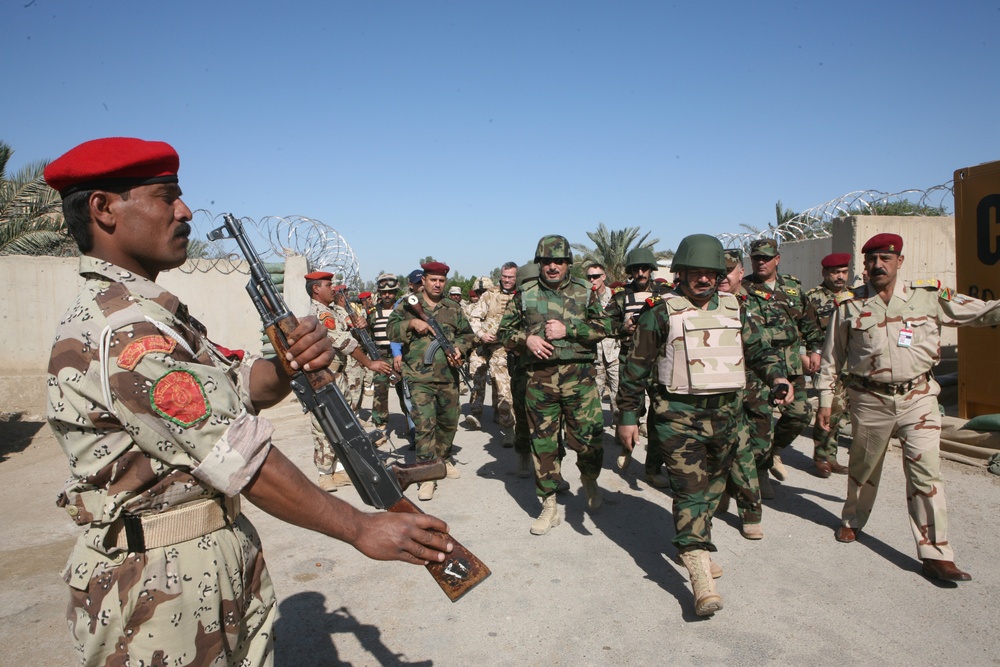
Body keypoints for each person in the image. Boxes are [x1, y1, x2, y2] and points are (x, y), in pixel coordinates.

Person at [43, 137, 455, 666]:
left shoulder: (156, 316)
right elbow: (238, 455)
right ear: (103, 209)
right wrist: (358, 526)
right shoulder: (125, 332)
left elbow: (241, 392)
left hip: (201, 566)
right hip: (154, 588)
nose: (184, 210)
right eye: (165, 196)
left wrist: (286, 365)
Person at [616, 234, 791, 616]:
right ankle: (700, 581)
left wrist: (778, 377)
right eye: (694, 272)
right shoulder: (660, 311)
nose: (703, 279)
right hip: (678, 418)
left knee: (713, 487)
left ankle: (693, 540)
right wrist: (628, 416)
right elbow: (635, 369)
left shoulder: (735, 309)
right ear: (680, 273)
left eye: (710, 273)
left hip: (727, 417)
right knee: (691, 492)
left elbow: (760, 349)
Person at [817, 233, 1000, 582]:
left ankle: (936, 553)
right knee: (864, 469)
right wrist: (825, 401)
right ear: (864, 265)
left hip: (919, 399)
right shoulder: (849, 306)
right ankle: (852, 520)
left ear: (899, 262)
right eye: (871, 259)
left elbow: (983, 312)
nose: (877, 265)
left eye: (886, 258)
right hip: (870, 401)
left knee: (926, 474)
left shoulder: (928, 298)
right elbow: (831, 359)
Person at [497, 235, 611, 535]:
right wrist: (527, 339)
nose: (552, 266)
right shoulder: (525, 293)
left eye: (558, 261)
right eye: (547, 261)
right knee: (543, 444)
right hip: (540, 380)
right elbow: (504, 332)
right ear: (540, 263)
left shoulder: (585, 291)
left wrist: (569, 329)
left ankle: (589, 480)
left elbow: (604, 327)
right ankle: (549, 505)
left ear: (567, 263)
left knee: (589, 440)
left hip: (580, 381)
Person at [742, 238, 825, 491]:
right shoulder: (743, 289)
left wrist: (814, 350)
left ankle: (774, 451)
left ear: (777, 259)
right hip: (759, 367)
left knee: (801, 414)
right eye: (757, 258)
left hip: (790, 364)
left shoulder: (792, 287)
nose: (761, 262)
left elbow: (809, 322)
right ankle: (761, 474)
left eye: (766, 258)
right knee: (761, 423)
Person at [387, 261, 474, 501]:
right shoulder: (408, 304)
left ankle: (442, 459)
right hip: (419, 376)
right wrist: (411, 323)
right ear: (423, 280)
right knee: (425, 425)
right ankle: (426, 475)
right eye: (433, 279)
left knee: (449, 422)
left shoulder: (452, 307)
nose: (437, 284)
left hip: (448, 376)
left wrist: (460, 349)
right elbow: (391, 330)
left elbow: (468, 335)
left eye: (441, 280)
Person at [306, 276, 390, 490]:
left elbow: (350, 331)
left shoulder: (335, 310)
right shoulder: (320, 313)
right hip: (325, 376)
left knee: (346, 421)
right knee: (324, 424)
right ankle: (325, 473)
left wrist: (359, 324)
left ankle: (341, 468)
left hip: (340, 375)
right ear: (316, 289)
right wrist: (370, 363)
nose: (333, 289)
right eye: (328, 286)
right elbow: (342, 342)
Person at [715, 247, 767, 539]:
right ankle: (750, 512)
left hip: (755, 383)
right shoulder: (700, 301)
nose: (723, 277)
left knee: (759, 444)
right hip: (722, 387)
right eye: (718, 271)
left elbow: (764, 344)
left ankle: (735, 486)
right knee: (738, 449)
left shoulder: (756, 300)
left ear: (740, 273)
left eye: (728, 271)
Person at [606, 247, 667, 486]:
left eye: (644, 268)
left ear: (651, 269)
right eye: (636, 269)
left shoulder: (666, 293)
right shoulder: (621, 296)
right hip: (630, 359)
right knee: (630, 407)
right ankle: (627, 448)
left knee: (660, 415)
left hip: (661, 361)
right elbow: (603, 323)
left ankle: (653, 468)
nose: (640, 273)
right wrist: (623, 327)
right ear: (630, 271)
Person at [805, 252, 854, 477]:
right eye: (835, 272)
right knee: (830, 409)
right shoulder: (812, 298)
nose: (840, 277)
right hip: (826, 363)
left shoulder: (856, 296)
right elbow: (802, 330)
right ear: (825, 273)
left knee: (842, 414)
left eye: (844, 272)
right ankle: (822, 457)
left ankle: (832, 455)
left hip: (851, 364)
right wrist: (806, 355)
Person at [465, 265, 518, 444]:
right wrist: (480, 334)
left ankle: (510, 427)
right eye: (504, 276)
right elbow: (474, 318)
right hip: (487, 347)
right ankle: (482, 416)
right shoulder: (490, 295)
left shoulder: (522, 295)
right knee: (483, 383)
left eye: (511, 277)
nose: (507, 280)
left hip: (507, 348)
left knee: (505, 390)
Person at [368, 273, 407, 430]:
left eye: (390, 292)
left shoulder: (403, 311)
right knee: (380, 393)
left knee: (405, 392)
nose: (387, 295)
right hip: (381, 358)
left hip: (400, 357)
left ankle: (411, 423)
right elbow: (368, 336)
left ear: (396, 292)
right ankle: (380, 425)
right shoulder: (373, 313)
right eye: (384, 292)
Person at [585, 263, 621, 419]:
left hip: (614, 353)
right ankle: (595, 431)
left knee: (618, 393)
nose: (592, 280)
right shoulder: (585, 298)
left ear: (603, 277)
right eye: (589, 277)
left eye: (596, 276)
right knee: (593, 395)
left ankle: (620, 428)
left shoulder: (616, 296)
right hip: (594, 355)